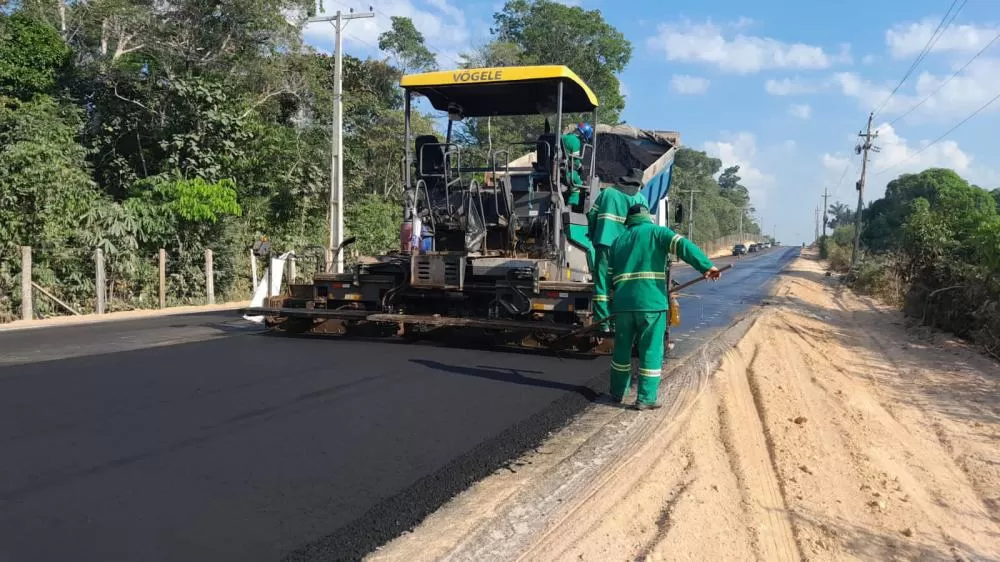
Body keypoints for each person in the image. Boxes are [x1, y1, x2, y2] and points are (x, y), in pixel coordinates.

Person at [605, 203, 721, 410]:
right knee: (651, 350)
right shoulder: (658, 233)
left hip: (623, 306)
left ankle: (617, 392)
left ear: (629, 219)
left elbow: (609, 275)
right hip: (651, 304)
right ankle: (646, 398)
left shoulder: (618, 241)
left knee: (621, 350)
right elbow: (683, 246)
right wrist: (706, 266)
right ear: (647, 217)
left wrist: (611, 301)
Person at [586, 167, 649, 332]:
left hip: (605, 243)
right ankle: (617, 322)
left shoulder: (607, 193)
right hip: (626, 248)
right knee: (621, 283)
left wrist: (593, 234)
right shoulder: (640, 199)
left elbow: (591, 215)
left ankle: (603, 323)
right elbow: (644, 228)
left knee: (602, 283)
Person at [561, 122, 592, 190]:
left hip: (560, 167)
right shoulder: (575, 141)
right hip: (569, 172)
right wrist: (580, 166)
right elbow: (575, 160)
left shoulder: (563, 137)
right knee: (578, 185)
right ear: (583, 135)